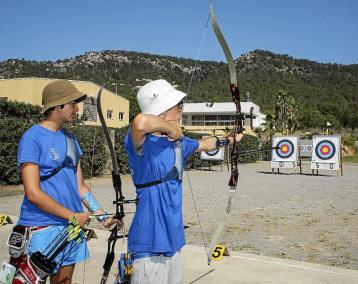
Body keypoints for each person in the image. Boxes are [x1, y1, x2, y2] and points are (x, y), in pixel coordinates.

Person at [124, 79, 243, 284]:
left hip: (174, 241)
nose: (180, 110)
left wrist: (231, 139)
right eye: (176, 106)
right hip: (148, 243)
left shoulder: (179, 144)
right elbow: (141, 122)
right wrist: (171, 130)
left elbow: (206, 144)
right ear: (162, 111)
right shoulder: (141, 144)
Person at [14, 79, 119, 284]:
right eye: (72, 103)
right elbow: (33, 193)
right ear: (58, 105)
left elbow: (80, 187)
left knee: (64, 281)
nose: (77, 109)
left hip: (71, 227)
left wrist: (103, 217)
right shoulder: (32, 138)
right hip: (42, 227)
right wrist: (72, 216)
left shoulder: (71, 139)